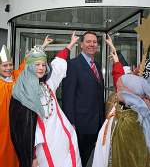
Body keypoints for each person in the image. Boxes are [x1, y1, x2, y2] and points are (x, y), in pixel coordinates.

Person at [9, 31, 82, 167]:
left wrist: (71, 44)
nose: (41, 68)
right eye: (37, 64)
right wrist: (31, 156)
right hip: (41, 149)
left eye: (43, 64)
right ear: (29, 66)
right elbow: (20, 130)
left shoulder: (48, 82)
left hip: (62, 142)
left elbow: (59, 63)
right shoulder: (21, 92)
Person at [92, 35, 150, 167]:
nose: (136, 68)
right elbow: (121, 70)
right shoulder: (131, 84)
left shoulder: (132, 119)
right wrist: (114, 50)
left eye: (140, 67)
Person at [0, 36, 52, 167]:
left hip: (18, 124)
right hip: (2, 128)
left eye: (10, 64)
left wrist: (42, 46)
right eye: (4, 65)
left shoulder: (18, 77)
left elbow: (28, 63)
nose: (8, 68)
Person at [62, 31, 105, 167]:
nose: (92, 45)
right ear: (81, 45)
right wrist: (71, 122)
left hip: (96, 124)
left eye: (94, 42)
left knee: (85, 159)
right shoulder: (73, 65)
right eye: (88, 41)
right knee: (76, 160)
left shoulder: (97, 66)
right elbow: (68, 96)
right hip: (79, 125)